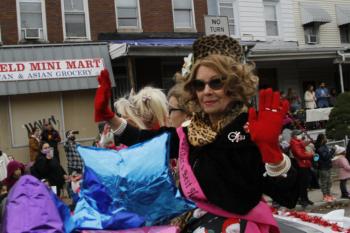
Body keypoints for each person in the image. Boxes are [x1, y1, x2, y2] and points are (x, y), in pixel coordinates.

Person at [94, 35, 299, 232]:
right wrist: (110, 117)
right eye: (199, 85)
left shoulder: (250, 129)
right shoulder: (191, 132)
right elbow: (146, 142)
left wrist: (271, 152)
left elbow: (288, 196)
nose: (206, 91)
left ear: (234, 85)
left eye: (216, 82)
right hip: (196, 223)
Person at [290, 129, 314, 207]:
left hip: (304, 164)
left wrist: (309, 141)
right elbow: (300, 155)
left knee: (305, 183)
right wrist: (311, 154)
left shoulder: (297, 142)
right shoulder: (294, 143)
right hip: (301, 165)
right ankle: (303, 200)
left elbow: (302, 144)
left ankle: (305, 199)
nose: (301, 135)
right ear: (294, 136)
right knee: (303, 184)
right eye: (299, 134)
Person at [315, 133, 334, 202]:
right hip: (323, 167)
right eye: (325, 137)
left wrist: (331, 153)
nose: (326, 138)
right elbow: (325, 157)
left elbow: (327, 156)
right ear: (322, 139)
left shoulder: (324, 146)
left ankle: (328, 195)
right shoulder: (319, 147)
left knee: (329, 182)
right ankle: (325, 196)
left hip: (327, 166)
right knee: (324, 182)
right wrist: (332, 151)